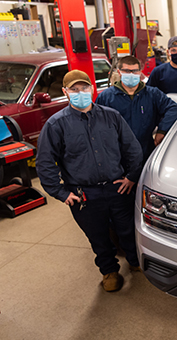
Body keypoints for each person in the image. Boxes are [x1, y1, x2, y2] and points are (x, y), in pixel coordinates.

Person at [36, 70, 143, 292]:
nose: (80, 93)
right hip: (85, 195)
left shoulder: (112, 116)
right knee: (98, 236)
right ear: (65, 92)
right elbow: (45, 162)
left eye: (84, 88)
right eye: (74, 90)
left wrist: (132, 176)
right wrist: (61, 192)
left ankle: (135, 262)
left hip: (118, 188)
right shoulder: (56, 125)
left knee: (127, 230)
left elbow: (132, 149)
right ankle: (109, 271)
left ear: (92, 88)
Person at [96, 55, 177, 160]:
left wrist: (162, 130)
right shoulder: (106, 97)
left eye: (135, 71)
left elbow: (174, 109)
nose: (132, 74)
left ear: (140, 72)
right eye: (127, 71)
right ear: (119, 72)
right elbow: (97, 124)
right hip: (118, 153)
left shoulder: (152, 94)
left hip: (146, 150)